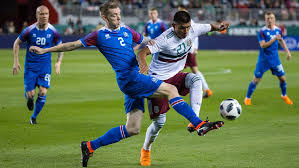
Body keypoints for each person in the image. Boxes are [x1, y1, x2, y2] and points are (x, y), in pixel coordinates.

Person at [29, 1, 225, 167]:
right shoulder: (99, 35)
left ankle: (89, 146)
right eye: (114, 15)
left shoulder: (127, 31)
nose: (118, 18)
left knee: (133, 128)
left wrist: (157, 44)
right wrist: (46, 51)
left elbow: (144, 43)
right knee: (171, 89)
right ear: (105, 18)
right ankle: (198, 124)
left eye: (119, 14)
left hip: (133, 82)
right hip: (131, 78)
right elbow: (71, 45)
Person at [138, 10, 231, 166]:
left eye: (187, 27)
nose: (185, 31)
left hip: (176, 76)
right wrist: (143, 66)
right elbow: (142, 52)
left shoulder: (193, 29)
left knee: (195, 80)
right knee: (159, 123)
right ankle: (146, 149)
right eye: (182, 28)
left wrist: (220, 26)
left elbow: (211, 27)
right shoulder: (164, 39)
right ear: (174, 26)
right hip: (158, 80)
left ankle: (195, 123)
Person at [13, 5, 64, 125]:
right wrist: (16, 61)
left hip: (45, 67)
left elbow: (61, 46)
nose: (44, 16)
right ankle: (29, 99)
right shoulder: (29, 30)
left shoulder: (53, 31)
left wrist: (58, 62)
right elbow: (17, 43)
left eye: (46, 14)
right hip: (30, 67)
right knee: (31, 94)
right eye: (41, 14)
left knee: (42, 92)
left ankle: (34, 117)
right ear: (37, 16)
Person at [244, 11, 293, 106]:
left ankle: (284, 95)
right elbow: (263, 45)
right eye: (267, 18)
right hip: (264, 60)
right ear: (265, 20)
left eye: (271, 18)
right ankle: (247, 98)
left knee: (283, 79)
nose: (269, 20)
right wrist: (274, 39)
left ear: (274, 19)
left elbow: (281, 40)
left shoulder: (278, 30)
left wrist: (288, 52)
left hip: (275, 59)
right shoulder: (262, 31)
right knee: (256, 80)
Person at [178, 5, 213, 98]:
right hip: (188, 51)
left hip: (187, 51)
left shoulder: (189, 23)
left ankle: (174, 91)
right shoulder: (188, 22)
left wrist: (195, 48)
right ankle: (206, 89)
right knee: (192, 71)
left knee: (178, 70)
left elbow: (195, 35)